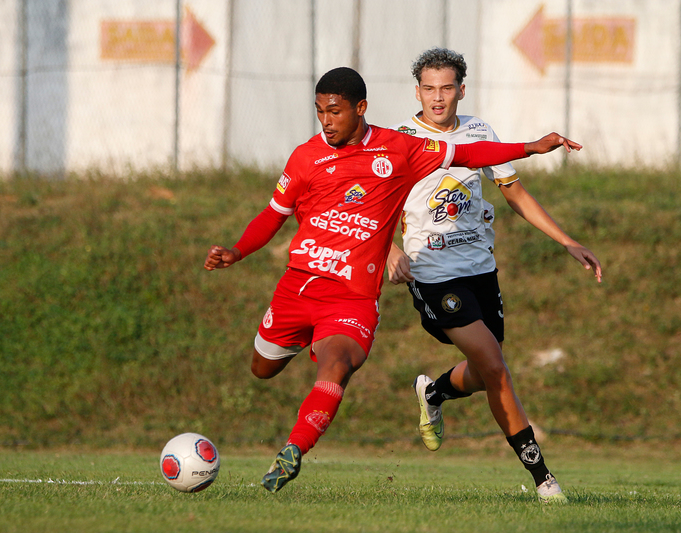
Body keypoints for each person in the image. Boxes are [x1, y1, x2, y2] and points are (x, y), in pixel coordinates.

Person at [204, 66, 582, 493]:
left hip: (354, 298)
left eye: (334, 111)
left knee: (339, 366)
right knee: (261, 369)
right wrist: (236, 251)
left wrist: (531, 147)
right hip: (300, 287)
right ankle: (416, 386)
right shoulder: (306, 156)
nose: (325, 121)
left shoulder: (398, 148)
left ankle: (293, 451)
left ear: (360, 109)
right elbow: (274, 214)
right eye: (319, 112)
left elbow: (468, 154)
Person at [387, 48, 602, 503]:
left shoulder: (479, 131)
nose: (438, 98)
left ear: (461, 89)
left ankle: (434, 393)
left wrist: (567, 241)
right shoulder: (400, 139)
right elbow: (371, 203)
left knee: (487, 372)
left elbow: (514, 193)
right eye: (429, 88)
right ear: (418, 91)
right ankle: (545, 480)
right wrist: (388, 250)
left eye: (447, 88)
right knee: (497, 367)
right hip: (432, 273)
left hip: (481, 269)